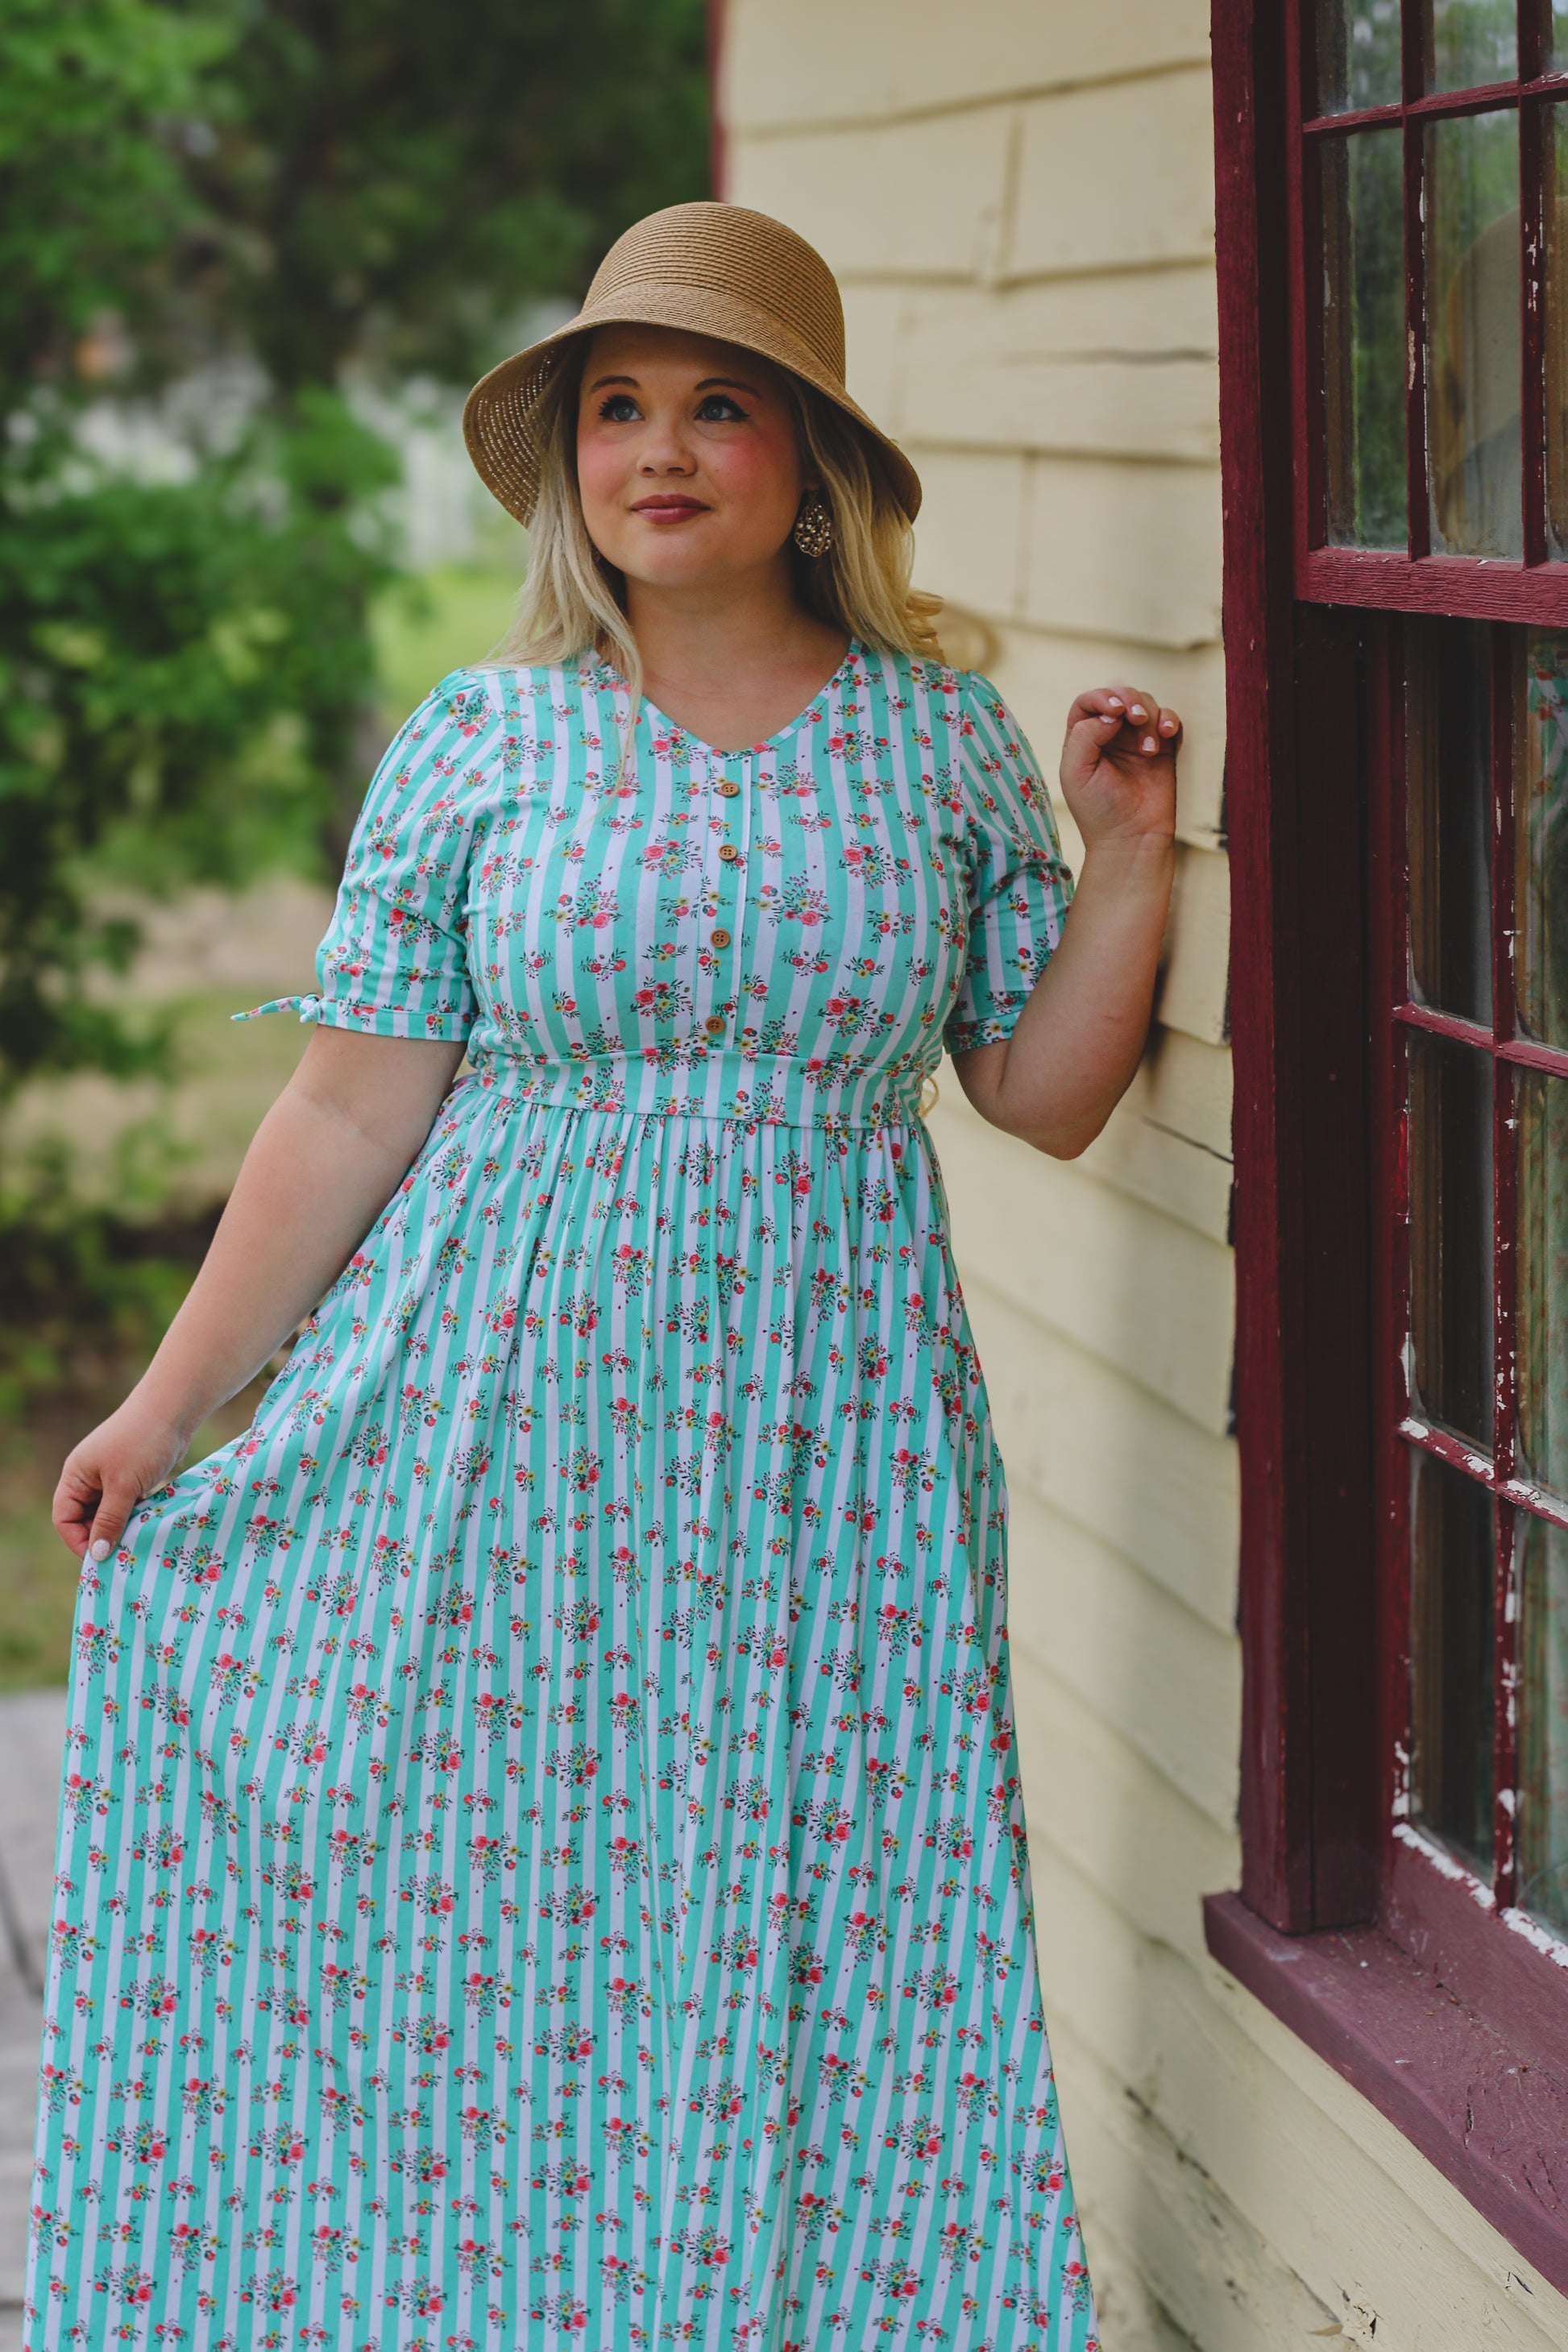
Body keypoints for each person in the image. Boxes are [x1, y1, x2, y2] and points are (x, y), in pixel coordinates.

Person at [38, 201, 1178, 2352]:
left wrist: (1125, 860)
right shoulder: (487, 737)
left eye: (716, 406)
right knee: (497, 1913)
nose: (658, 450)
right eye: (616, 410)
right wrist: (166, 1410)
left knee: (819, 1902)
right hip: (494, 1424)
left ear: (808, 460)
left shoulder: (935, 745)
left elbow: (1035, 1094)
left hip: (824, 1451)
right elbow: (347, 1115)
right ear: (567, 462)